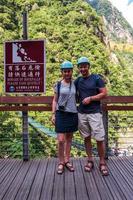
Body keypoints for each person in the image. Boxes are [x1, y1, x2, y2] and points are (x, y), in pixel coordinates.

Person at [75, 56, 109, 176]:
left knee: (99, 138)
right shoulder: (78, 81)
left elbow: (104, 93)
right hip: (82, 113)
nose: (83, 68)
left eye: (85, 66)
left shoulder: (96, 78)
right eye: (81, 67)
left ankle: (102, 162)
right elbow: (70, 91)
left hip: (95, 112)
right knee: (86, 138)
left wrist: (91, 98)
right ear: (78, 68)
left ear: (88, 66)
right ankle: (90, 160)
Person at [52, 61, 78, 174]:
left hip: (72, 113)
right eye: (65, 71)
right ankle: (61, 162)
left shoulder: (76, 84)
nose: (67, 73)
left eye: (69, 71)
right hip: (61, 114)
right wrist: (53, 114)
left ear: (72, 72)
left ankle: (67, 160)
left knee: (69, 139)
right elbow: (55, 100)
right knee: (61, 140)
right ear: (62, 72)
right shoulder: (58, 84)